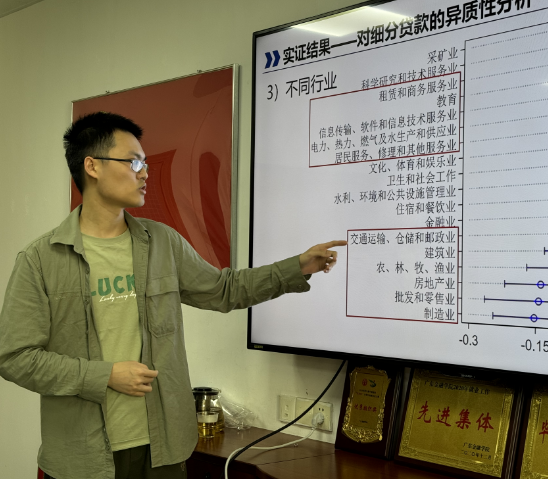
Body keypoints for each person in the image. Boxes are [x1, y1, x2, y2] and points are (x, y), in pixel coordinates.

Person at [0, 112, 346, 479]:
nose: (145, 173)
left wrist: (297, 267)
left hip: (162, 450)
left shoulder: (162, 242)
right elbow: (15, 357)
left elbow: (225, 290)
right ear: (92, 166)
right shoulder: (41, 259)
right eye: (133, 162)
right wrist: (102, 376)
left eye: (146, 164)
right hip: (81, 458)